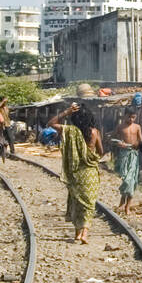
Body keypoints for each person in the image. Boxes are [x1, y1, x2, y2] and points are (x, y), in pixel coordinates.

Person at [50, 102, 104, 243]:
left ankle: (77, 233)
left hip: (75, 173)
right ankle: (84, 233)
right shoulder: (95, 132)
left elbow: (51, 123)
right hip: (90, 173)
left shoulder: (70, 131)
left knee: (76, 202)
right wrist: (91, 157)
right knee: (89, 204)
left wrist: (66, 112)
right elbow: (101, 152)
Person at [111, 108, 142, 215]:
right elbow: (112, 138)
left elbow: (141, 141)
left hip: (133, 155)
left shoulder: (137, 127)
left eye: (133, 117)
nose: (131, 119)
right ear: (125, 116)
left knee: (131, 180)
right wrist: (119, 143)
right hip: (123, 155)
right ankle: (122, 202)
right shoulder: (120, 127)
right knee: (126, 179)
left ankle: (127, 206)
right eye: (129, 117)